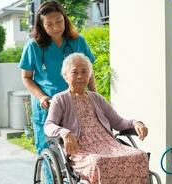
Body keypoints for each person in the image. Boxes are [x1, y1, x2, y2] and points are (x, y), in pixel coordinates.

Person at [44, 53, 149, 184]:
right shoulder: (60, 99)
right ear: (65, 76)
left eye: (84, 72)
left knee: (139, 156)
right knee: (98, 162)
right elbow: (49, 125)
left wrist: (136, 123)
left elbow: (119, 122)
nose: (80, 76)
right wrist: (65, 133)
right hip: (80, 149)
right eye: (74, 72)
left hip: (108, 145)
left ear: (89, 75)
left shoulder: (97, 98)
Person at [19, 0, 96, 154]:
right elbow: (26, 77)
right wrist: (41, 97)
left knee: (77, 150)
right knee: (49, 152)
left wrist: (94, 97)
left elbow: (89, 71)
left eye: (59, 21)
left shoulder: (77, 41)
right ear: (41, 26)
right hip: (47, 106)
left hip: (74, 104)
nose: (56, 27)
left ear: (65, 19)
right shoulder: (33, 46)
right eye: (49, 24)